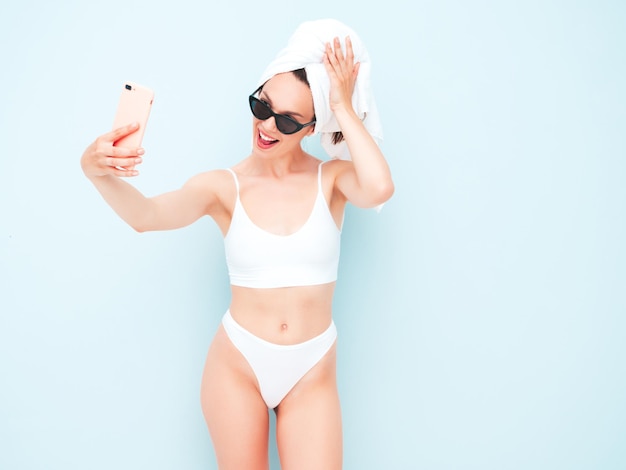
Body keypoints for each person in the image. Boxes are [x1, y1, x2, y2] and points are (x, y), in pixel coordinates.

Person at [80, 20, 393, 470]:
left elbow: (380, 188)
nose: (266, 125)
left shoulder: (333, 181)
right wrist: (96, 172)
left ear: (311, 128)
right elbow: (145, 217)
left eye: (286, 120)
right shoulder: (223, 186)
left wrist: (342, 106)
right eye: (261, 105)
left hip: (312, 370)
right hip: (238, 366)